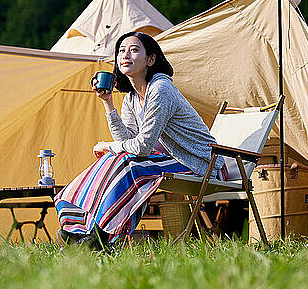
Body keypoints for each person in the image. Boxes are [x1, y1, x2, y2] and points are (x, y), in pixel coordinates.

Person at [54, 31, 225, 249]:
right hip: (172, 160)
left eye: (134, 50)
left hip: (201, 164)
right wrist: (108, 103)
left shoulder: (161, 89)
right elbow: (128, 141)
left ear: (150, 59)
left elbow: (142, 147)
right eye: (121, 51)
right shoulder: (132, 99)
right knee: (116, 159)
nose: (126, 55)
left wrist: (109, 146)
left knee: (126, 163)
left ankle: (100, 237)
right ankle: (79, 229)